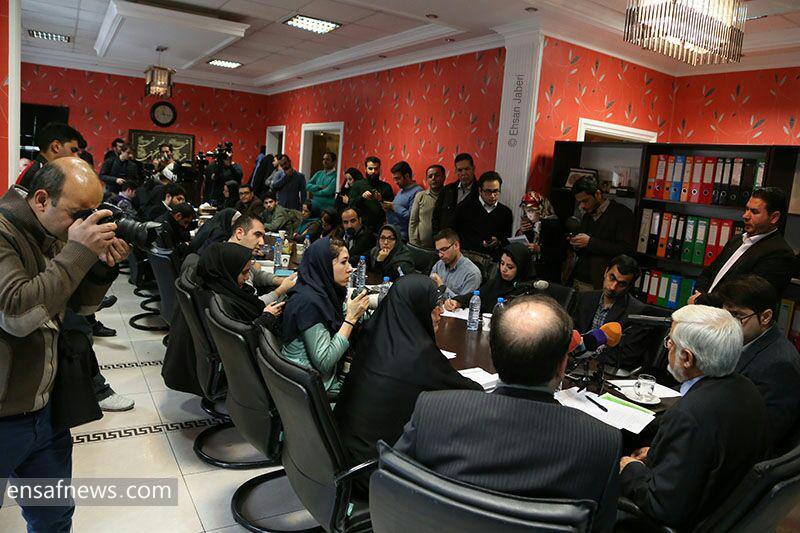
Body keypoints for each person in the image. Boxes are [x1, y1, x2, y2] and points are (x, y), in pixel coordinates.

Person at [395, 295, 622, 532]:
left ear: (493, 354)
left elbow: (392, 486)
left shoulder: (433, 410)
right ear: (562, 365)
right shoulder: (602, 443)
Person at [0, 157, 130, 532]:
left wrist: (100, 267)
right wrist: (77, 252)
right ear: (42, 200)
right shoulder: (5, 232)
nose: (86, 224)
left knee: (54, 517)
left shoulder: (54, 232)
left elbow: (77, 309)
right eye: (79, 213)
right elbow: (18, 314)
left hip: (45, 410)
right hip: (5, 418)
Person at [619, 305, 767, 530]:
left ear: (687, 358)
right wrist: (659, 452)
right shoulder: (747, 389)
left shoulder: (689, 416)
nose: (667, 347)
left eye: (670, 342)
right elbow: (708, 454)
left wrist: (631, 469)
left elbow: (662, 506)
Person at [335, 275, 483, 489]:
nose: (440, 312)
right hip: (376, 473)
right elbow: (473, 393)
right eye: (434, 306)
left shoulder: (372, 336)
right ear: (418, 308)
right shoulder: (417, 356)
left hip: (343, 456)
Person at [711, 275, 800, 456]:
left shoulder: (779, 365)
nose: (727, 324)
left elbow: (761, 436)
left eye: (737, 315)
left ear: (765, 317)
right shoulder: (739, 340)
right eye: (725, 315)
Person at [281, 238, 370, 392]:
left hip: (306, 380)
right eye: (344, 262)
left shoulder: (318, 290)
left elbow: (342, 311)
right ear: (325, 265)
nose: (350, 269)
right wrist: (351, 319)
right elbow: (324, 361)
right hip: (311, 388)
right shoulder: (309, 303)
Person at [691, 187, 796, 303]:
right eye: (746, 209)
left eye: (754, 212)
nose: (745, 216)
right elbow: (709, 272)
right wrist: (699, 293)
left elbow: (747, 296)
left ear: (774, 217)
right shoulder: (736, 240)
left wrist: (702, 299)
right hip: (704, 309)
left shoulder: (780, 254)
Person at [571, 255, 649, 371]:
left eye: (621, 284)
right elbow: (570, 332)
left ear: (629, 286)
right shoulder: (585, 298)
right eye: (612, 278)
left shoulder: (637, 311)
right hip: (575, 363)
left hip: (606, 370)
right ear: (606, 272)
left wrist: (587, 354)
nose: (612, 287)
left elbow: (626, 356)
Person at [196, 242, 283, 333]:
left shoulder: (229, 289)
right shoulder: (225, 302)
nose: (247, 277)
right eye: (244, 273)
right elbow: (248, 334)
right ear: (229, 272)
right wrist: (268, 316)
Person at [569, 176, 635, 291]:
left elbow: (626, 250)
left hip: (601, 282)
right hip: (578, 278)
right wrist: (577, 243)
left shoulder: (622, 214)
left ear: (598, 194)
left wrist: (590, 242)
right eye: (580, 202)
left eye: (585, 201)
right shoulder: (587, 215)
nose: (582, 206)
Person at [445, 242, 532, 314]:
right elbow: (476, 295)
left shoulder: (526, 291)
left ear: (521, 268)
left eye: (510, 267)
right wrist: (457, 302)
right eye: (502, 263)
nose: (503, 269)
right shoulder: (496, 282)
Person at [453, 171, 513, 258]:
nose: (492, 196)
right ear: (480, 190)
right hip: (467, 257)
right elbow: (453, 233)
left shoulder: (506, 212)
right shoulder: (464, 208)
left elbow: (506, 241)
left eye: (496, 191)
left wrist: (498, 242)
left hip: (493, 259)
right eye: (488, 191)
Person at [18, 122, 83, 189]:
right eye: (73, 150)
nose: (76, 157)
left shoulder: (38, 169)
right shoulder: (44, 175)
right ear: (56, 146)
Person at [517, 191, 562, 281]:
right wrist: (521, 231)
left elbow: (559, 253)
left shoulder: (554, 226)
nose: (528, 215)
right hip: (531, 270)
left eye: (531, 211)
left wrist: (539, 249)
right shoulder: (529, 224)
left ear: (540, 209)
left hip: (547, 272)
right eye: (526, 211)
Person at [432, 153, 478, 236]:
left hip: (469, 241)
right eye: (460, 170)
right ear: (456, 171)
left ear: (473, 169)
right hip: (446, 240)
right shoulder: (447, 190)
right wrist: (437, 237)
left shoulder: (480, 192)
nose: (463, 173)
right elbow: (436, 216)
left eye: (467, 169)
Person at [429, 228, 481, 300]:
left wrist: (442, 287)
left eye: (444, 249)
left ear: (456, 245)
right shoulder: (439, 264)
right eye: (438, 251)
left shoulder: (472, 274)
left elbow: (463, 303)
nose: (440, 255)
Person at [349, 156, 394, 231]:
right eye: (370, 169)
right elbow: (351, 204)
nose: (373, 171)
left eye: (376, 169)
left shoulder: (386, 187)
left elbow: (392, 208)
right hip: (361, 227)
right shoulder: (358, 185)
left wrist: (381, 200)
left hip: (380, 227)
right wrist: (362, 197)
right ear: (365, 169)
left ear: (379, 170)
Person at [384, 161, 422, 241]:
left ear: (407, 176)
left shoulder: (418, 192)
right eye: (394, 179)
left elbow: (411, 217)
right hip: (392, 233)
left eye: (398, 178)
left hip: (403, 237)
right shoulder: (401, 190)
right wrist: (388, 208)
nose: (395, 182)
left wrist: (393, 206)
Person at [409, 164, 445, 248]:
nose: (433, 178)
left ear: (444, 177)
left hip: (444, 246)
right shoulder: (420, 196)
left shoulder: (449, 195)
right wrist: (413, 244)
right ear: (427, 179)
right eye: (430, 176)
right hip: (423, 246)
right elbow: (413, 221)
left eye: (437, 175)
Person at [156, 202, 196, 267]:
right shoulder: (165, 229)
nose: (186, 226)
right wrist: (186, 245)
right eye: (186, 222)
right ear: (178, 216)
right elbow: (172, 253)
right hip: (169, 265)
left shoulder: (168, 219)